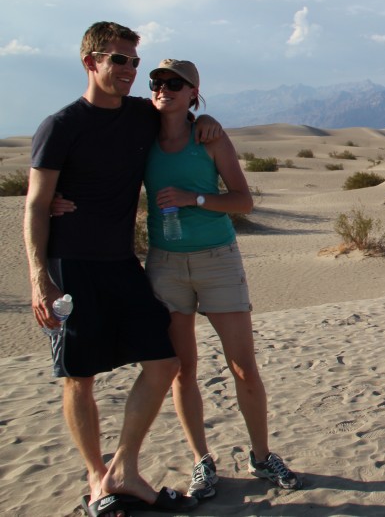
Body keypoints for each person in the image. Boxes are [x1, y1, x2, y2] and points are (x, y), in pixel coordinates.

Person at [25, 22, 221, 517]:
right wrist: (39, 278)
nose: (131, 70)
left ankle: (125, 469)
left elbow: (178, 112)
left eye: (134, 61)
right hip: (71, 266)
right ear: (90, 62)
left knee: (164, 362)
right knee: (80, 376)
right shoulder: (61, 125)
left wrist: (206, 120)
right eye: (119, 59)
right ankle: (98, 479)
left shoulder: (140, 115)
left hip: (122, 263)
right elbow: (36, 205)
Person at [143, 59, 301, 498]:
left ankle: (261, 456)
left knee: (243, 366)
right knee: (182, 369)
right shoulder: (140, 136)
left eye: (175, 84)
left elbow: (243, 200)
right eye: (156, 82)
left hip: (218, 261)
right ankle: (201, 461)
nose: (163, 88)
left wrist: (193, 198)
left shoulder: (209, 137)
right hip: (165, 265)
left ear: (193, 93)